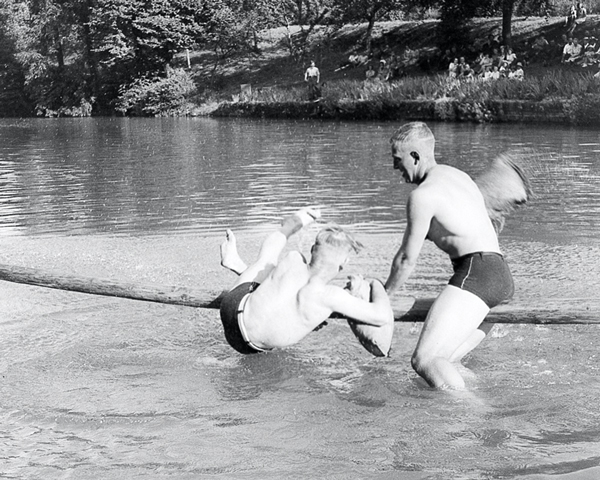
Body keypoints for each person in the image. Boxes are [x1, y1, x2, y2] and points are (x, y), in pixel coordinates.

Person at [384, 122, 516, 389]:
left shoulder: (422, 196)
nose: (395, 167)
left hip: (476, 274)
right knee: (448, 363)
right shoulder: (458, 177)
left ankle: (477, 417)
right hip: (499, 274)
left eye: (398, 160)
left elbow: (406, 260)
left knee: (425, 359)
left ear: (415, 157)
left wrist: (384, 299)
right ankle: (486, 407)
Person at [219, 208, 394, 354]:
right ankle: (236, 263)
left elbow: (270, 282)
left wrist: (289, 227)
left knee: (266, 262)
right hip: (250, 345)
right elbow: (381, 317)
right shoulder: (330, 296)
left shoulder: (293, 259)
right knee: (268, 269)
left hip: (231, 309)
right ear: (344, 264)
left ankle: (290, 225)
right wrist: (375, 284)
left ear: (312, 250)